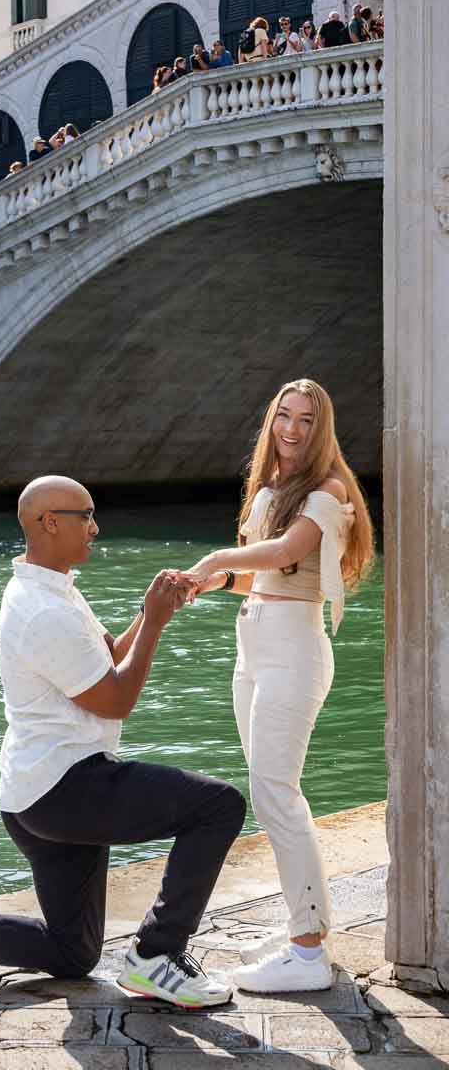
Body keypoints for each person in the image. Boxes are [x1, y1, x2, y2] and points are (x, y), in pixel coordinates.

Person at [0, 475, 246, 1007]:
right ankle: (156, 957)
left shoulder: (53, 589)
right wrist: (157, 624)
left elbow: (107, 661)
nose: (95, 528)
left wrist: (152, 607)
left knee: (73, 953)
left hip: (37, 792)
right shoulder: (43, 611)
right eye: (87, 515)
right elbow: (116, 698)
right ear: (49, 522)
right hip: (67, 787)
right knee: (218, 806)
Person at [180, 380, 374, 993]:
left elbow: (289, 551)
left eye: (306, 420)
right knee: (274, 794)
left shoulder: (329, 490)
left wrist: (215, 559)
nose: (292, 428)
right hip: (254, 648)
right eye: (283, 416)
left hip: (294, 649)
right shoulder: (268, 491)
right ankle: (306, 927)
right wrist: (205, 584)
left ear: (323, 430)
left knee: (276, 795)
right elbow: (257, 578)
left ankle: (308, 954)